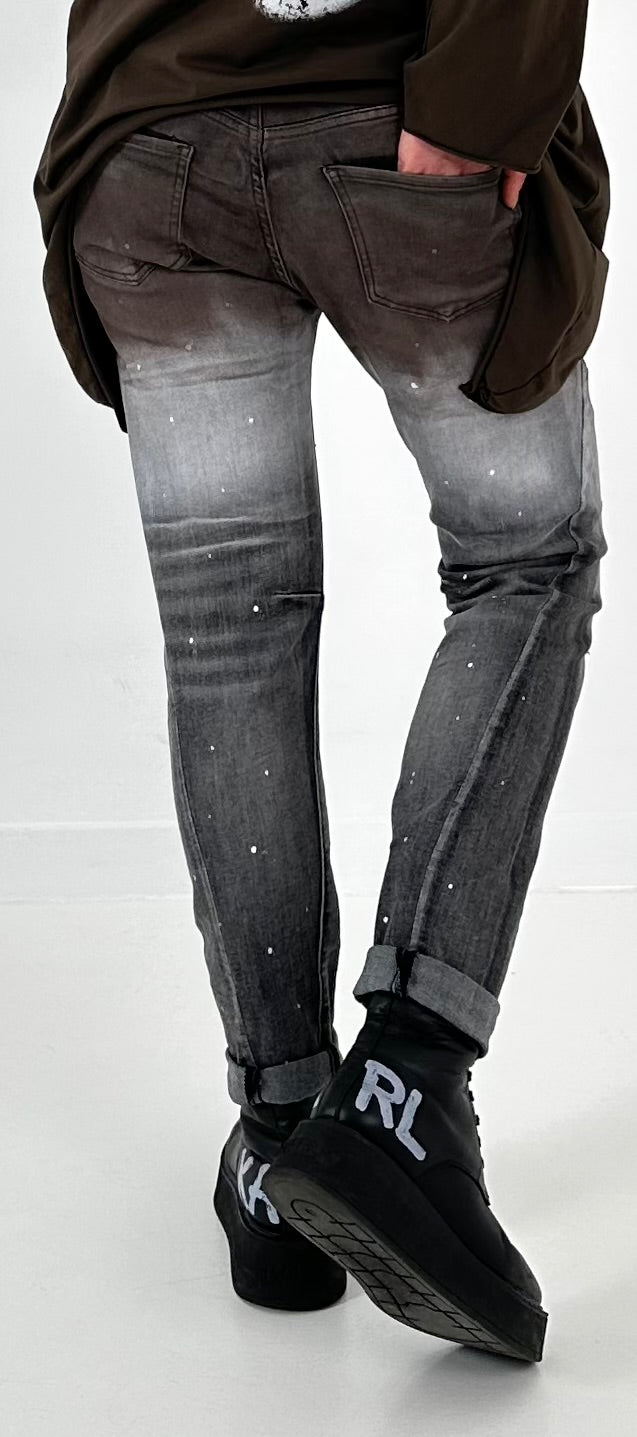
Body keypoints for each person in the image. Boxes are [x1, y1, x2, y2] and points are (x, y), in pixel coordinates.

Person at [33, 0, 610, 1363]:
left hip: (147, 134)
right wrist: (478, 106)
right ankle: (401, 1083)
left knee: (228, 626)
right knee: (526, 560)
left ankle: (281, 1138)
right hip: (383, 99)